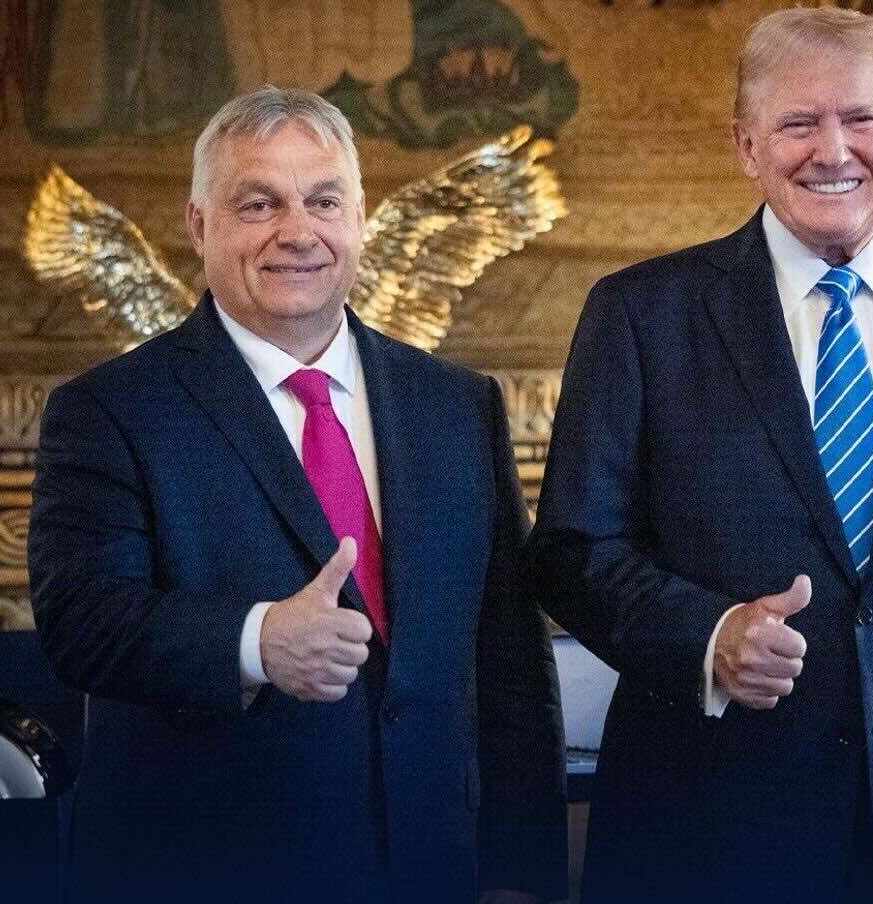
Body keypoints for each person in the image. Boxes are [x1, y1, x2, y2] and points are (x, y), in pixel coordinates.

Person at [527, 8, 873, 903]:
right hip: (708, 828)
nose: (833, 150)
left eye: (861, 119)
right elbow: (571, 552)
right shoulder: (640, 315)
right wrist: (709, 636)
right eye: (798, 123)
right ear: (747, 146)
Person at [28, 86, 566, 904]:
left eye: (324, 200)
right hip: (211, 875)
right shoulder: (110, 410)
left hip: (432, 872)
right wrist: (255, 642)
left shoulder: (457, 404)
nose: (298, 231)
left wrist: (521, 876)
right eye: (259, 203)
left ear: (360, 219)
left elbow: (510, 660)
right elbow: (81, 624)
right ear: (199, 226)